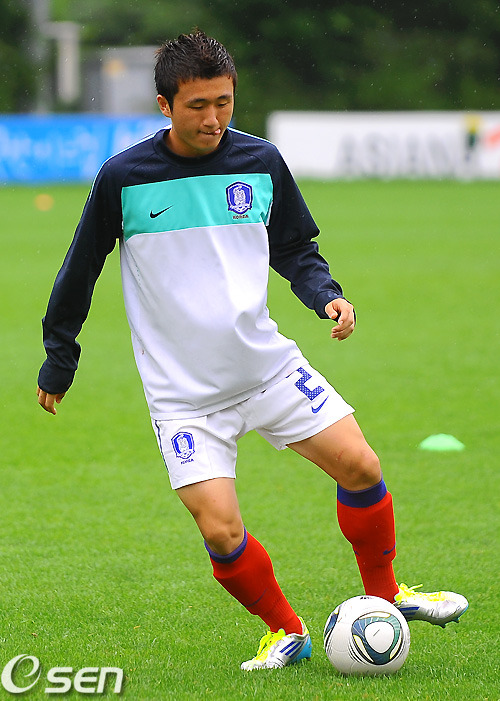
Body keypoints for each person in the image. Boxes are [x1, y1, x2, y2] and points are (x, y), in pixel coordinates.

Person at [37, 30, 468, 671]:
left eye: (224, 102)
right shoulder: (124, 178)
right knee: (221, 531)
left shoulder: (260, 160)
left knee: (361, 466)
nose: (213, 118)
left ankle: (386, 596)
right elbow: (81, 269)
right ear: (165, 106)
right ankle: (285, 631)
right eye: (197, 105)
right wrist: (60, 356)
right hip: (184, 398)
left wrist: (327, 296)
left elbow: (294, 247)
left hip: (268, 368)